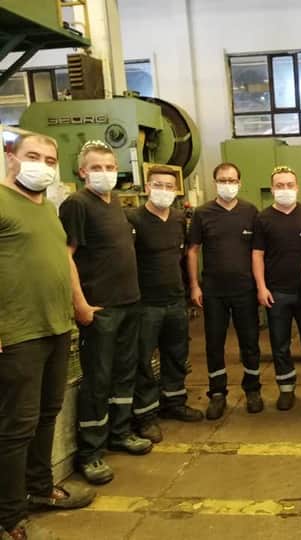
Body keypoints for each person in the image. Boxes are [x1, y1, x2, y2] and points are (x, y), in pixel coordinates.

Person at [0, 134, 95, 540]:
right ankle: (9, 516)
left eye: (50, 159)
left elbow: (59, 261)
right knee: (16, 426)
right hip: (18, 333)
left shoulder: (48, 209)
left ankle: (40, 489)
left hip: (56, 327)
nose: (42, 165)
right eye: (32, 156)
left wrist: (78, 306)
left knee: (46, 415)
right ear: (11, 157)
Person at [60, 140, 152, 486]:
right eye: (96, 168)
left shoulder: (115, 204)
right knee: (98, 379)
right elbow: (66, 255)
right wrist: (80, 304)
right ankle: (90, 452)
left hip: (129, 303)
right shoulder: (76, 204)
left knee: (124, 372)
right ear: (82, 171)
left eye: (110, 167)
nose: (104, 173)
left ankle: (120, 432)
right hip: (100, 308)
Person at [127, 166, 204, 444]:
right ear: (147, 187)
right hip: (145, 303)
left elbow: (183, 258)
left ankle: (174, 402)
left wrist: (190, 288)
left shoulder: (178, 219)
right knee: (144, 360)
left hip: (174, 300)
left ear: (176, 190)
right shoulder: (133, 218)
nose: (164, 190)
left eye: (169, 186)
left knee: (176, 354)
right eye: (158, 185)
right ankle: (146, 416)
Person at [187, 162, 261, 420]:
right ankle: (217, 393)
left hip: (245, 290)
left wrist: (259, 285)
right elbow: (193, 251)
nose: (227, 184)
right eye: (222, 180)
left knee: (250, 342)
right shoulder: (202, 213)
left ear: (239, 183)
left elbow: (258, 252)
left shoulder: (250, 211)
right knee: (214, 343)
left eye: (232, 180)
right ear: (215, 182)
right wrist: (194, 285)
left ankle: (253, 390)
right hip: (213, 292)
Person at [252, 166, 301, 410]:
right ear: (272, 189)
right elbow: (257, 255)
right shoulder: (262, 218)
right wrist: (261, 287)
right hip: (276, 292)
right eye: (280, 185)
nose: (285, 189)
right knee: (279, 342)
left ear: (297, 187)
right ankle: (286, 388)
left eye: (289, 185)